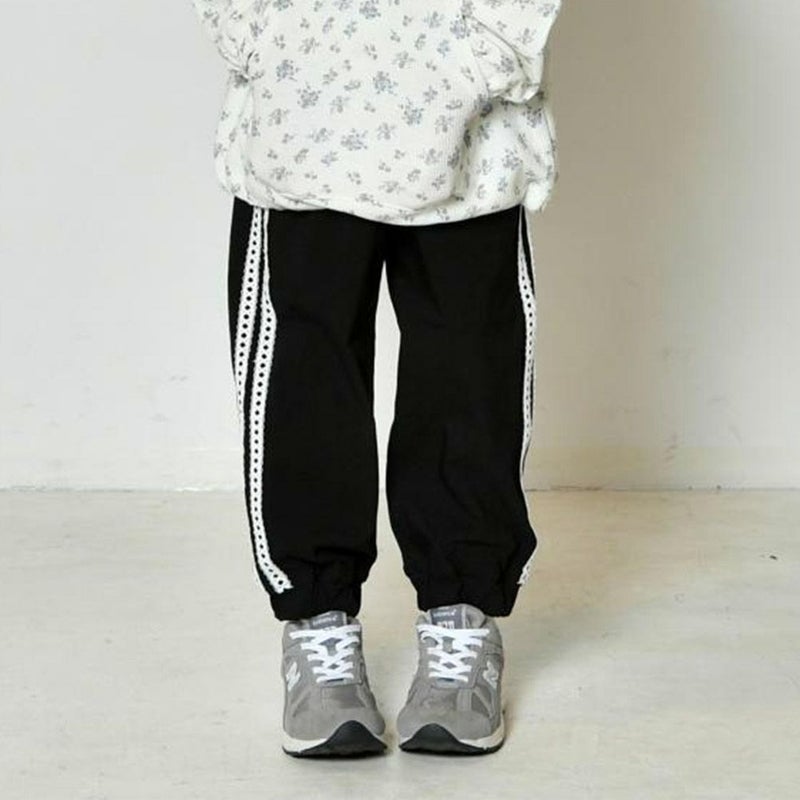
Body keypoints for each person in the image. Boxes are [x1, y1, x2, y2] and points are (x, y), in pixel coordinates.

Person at [190, 0, 562, 757]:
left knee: (467, 369)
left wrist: (488, 52)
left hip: (473, 127)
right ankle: (318, 623)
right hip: (301, 117)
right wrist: (265, 40)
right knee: (306, 378)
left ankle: (461, 617)